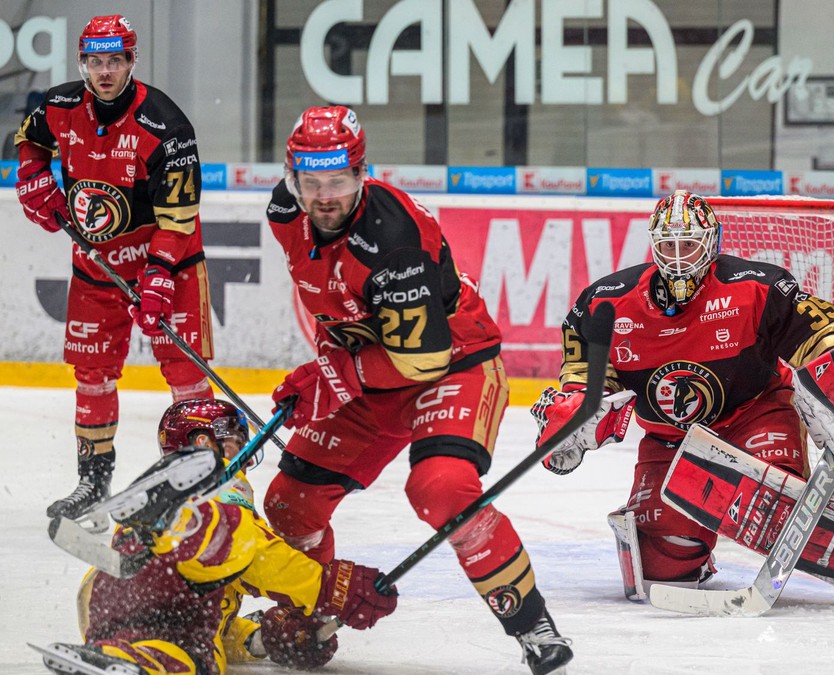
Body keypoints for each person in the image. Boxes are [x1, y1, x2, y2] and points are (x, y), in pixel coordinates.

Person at [260, 105, 572, 675]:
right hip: (375, 370)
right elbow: (340, 304)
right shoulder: (285, 212)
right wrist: (329, 369)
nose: (324, 196)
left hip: (453, 363)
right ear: (292, 178)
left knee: (442, 487)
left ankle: (531, 623)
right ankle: (309, 613)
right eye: (311, 182)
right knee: (289, 504)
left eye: (338, 181)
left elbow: (422, 358)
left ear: (361, 174)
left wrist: (331, 377)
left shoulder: (393, 240)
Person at [532, 190, 834, 612]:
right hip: (672, 439)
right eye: (668, 245)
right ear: (653, 244)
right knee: (660, 569)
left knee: (773, 506)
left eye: (688, 244)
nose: (678, 256)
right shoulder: (603, 304)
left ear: (712, 242)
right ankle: (694, 552)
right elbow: (585, 383)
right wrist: (573, 417)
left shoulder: (755, 287)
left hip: (754, 416)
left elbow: (824, 328)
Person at [14, 14, 214, 521]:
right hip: (95, 268)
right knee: (93, 376)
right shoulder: (59, 106)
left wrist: (160, 273)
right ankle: (92, 481)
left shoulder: (166, 126)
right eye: (95, 61)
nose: (104, 71)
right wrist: (34, 177)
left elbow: (180, 217)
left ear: (132, 61)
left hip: (169, 265)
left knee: (187, 374)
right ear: (83, 63)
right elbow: (30, 139)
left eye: (115, 60)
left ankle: (196, 478)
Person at [37, 398, 398, 675]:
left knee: (180, 638)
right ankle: (139, 656)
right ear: (202, 443)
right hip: (182, 570)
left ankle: (115, 657)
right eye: (233, 442)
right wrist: (331, 587)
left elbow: (217, 618)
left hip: (112, 592)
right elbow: (255, 553)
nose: (243, 455)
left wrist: (259, 642)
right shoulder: (225, 490)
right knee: (195, 657)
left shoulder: (190, 501)